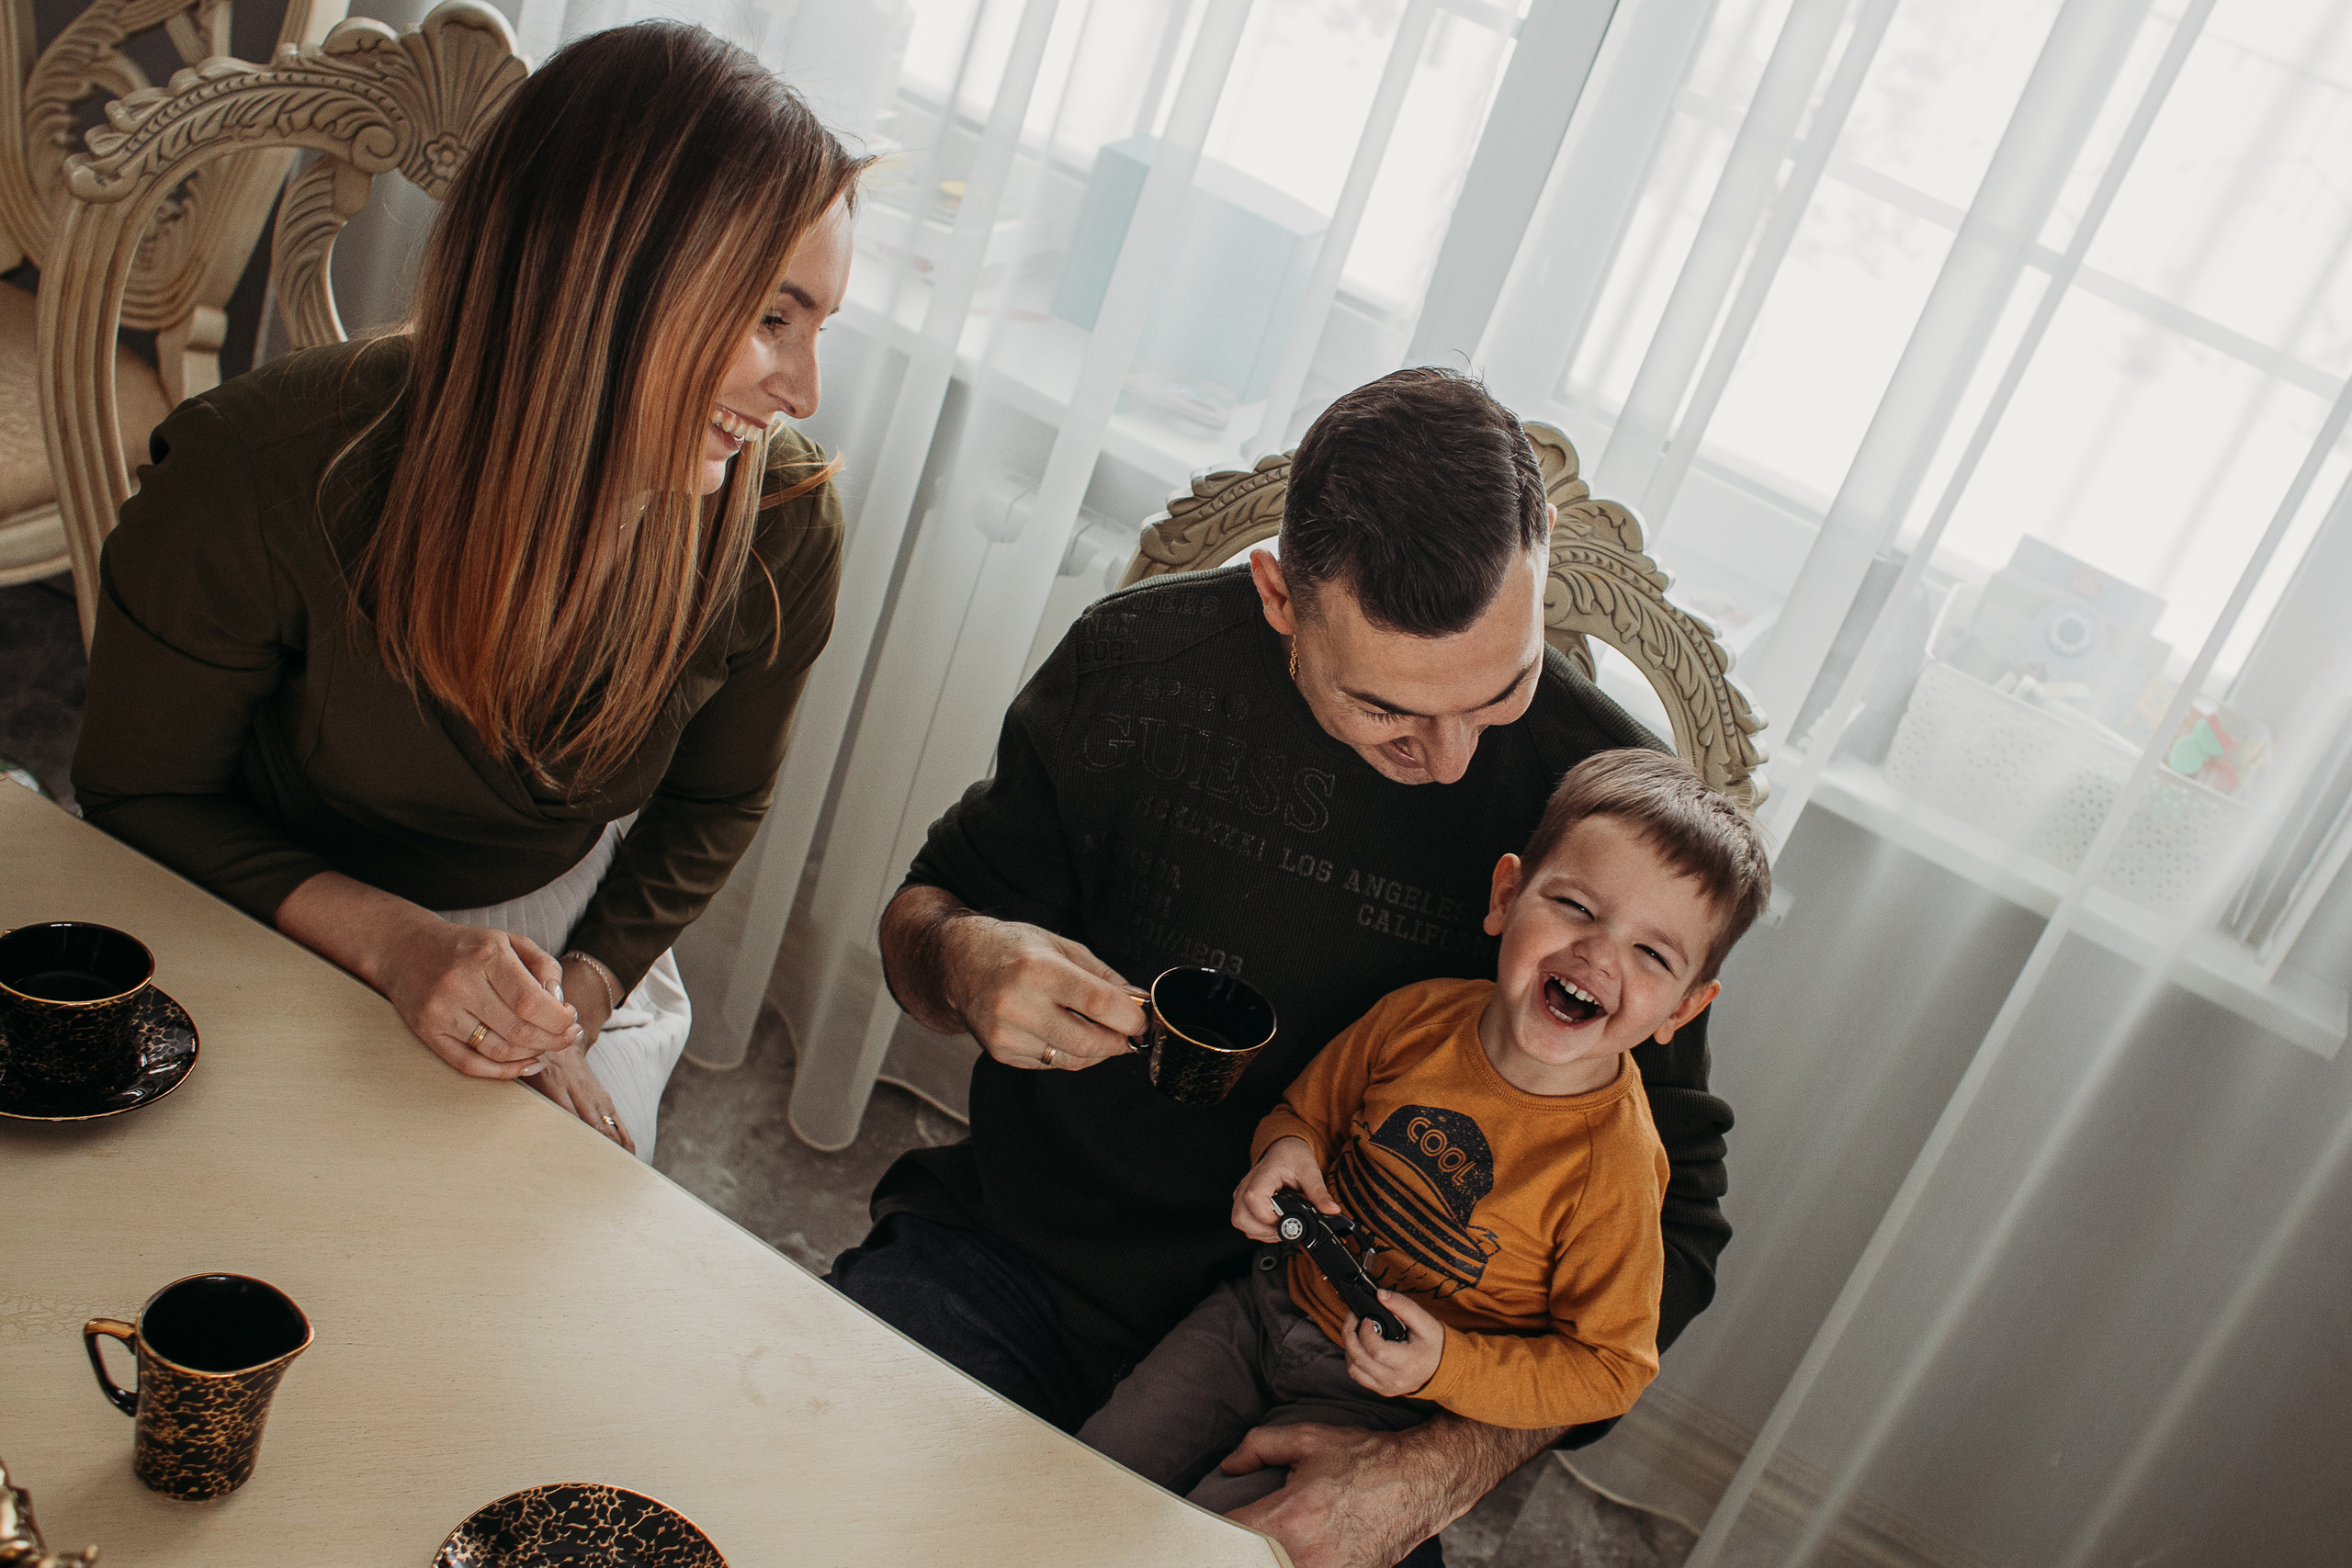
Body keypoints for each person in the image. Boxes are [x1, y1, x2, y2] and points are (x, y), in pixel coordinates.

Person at [827, 368, 1738, 1567]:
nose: (1458, 758)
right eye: (1389, 713)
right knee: (798, 1485)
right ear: (1278, 598)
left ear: (1543, 552)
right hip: (1026, 1262)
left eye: (1500, 688)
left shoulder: (1603, 823)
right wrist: (964, 954)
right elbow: (925, 919)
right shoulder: (1135, 668)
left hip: (1346, 1386)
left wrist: (1433, 1463)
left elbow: (1679, 1219)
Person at [71, 23, 867, 1163]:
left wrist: (578, 1000)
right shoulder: (254, 471)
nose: (803, 389)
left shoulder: (782, 523)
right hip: (259, 894)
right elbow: (140, 796)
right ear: (598, 278)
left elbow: (717, 802)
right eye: (768, 318)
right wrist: (395, 946)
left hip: (560, 930)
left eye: (822, 327)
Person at [1076, 750, 1770, 1512]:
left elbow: (1608, 1368)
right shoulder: (1419, 1015)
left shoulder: (1617, 1164)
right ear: (1508, 895)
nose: (1598, 955)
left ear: (1681, 1010)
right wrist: (1283, 1157)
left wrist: (1450, 1364)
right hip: (1254, 1314)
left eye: (1651, 952)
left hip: (1385, 1406)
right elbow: (1306, 1115)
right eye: (1576, 906)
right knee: (1097, 1467)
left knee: (1229, 1536)